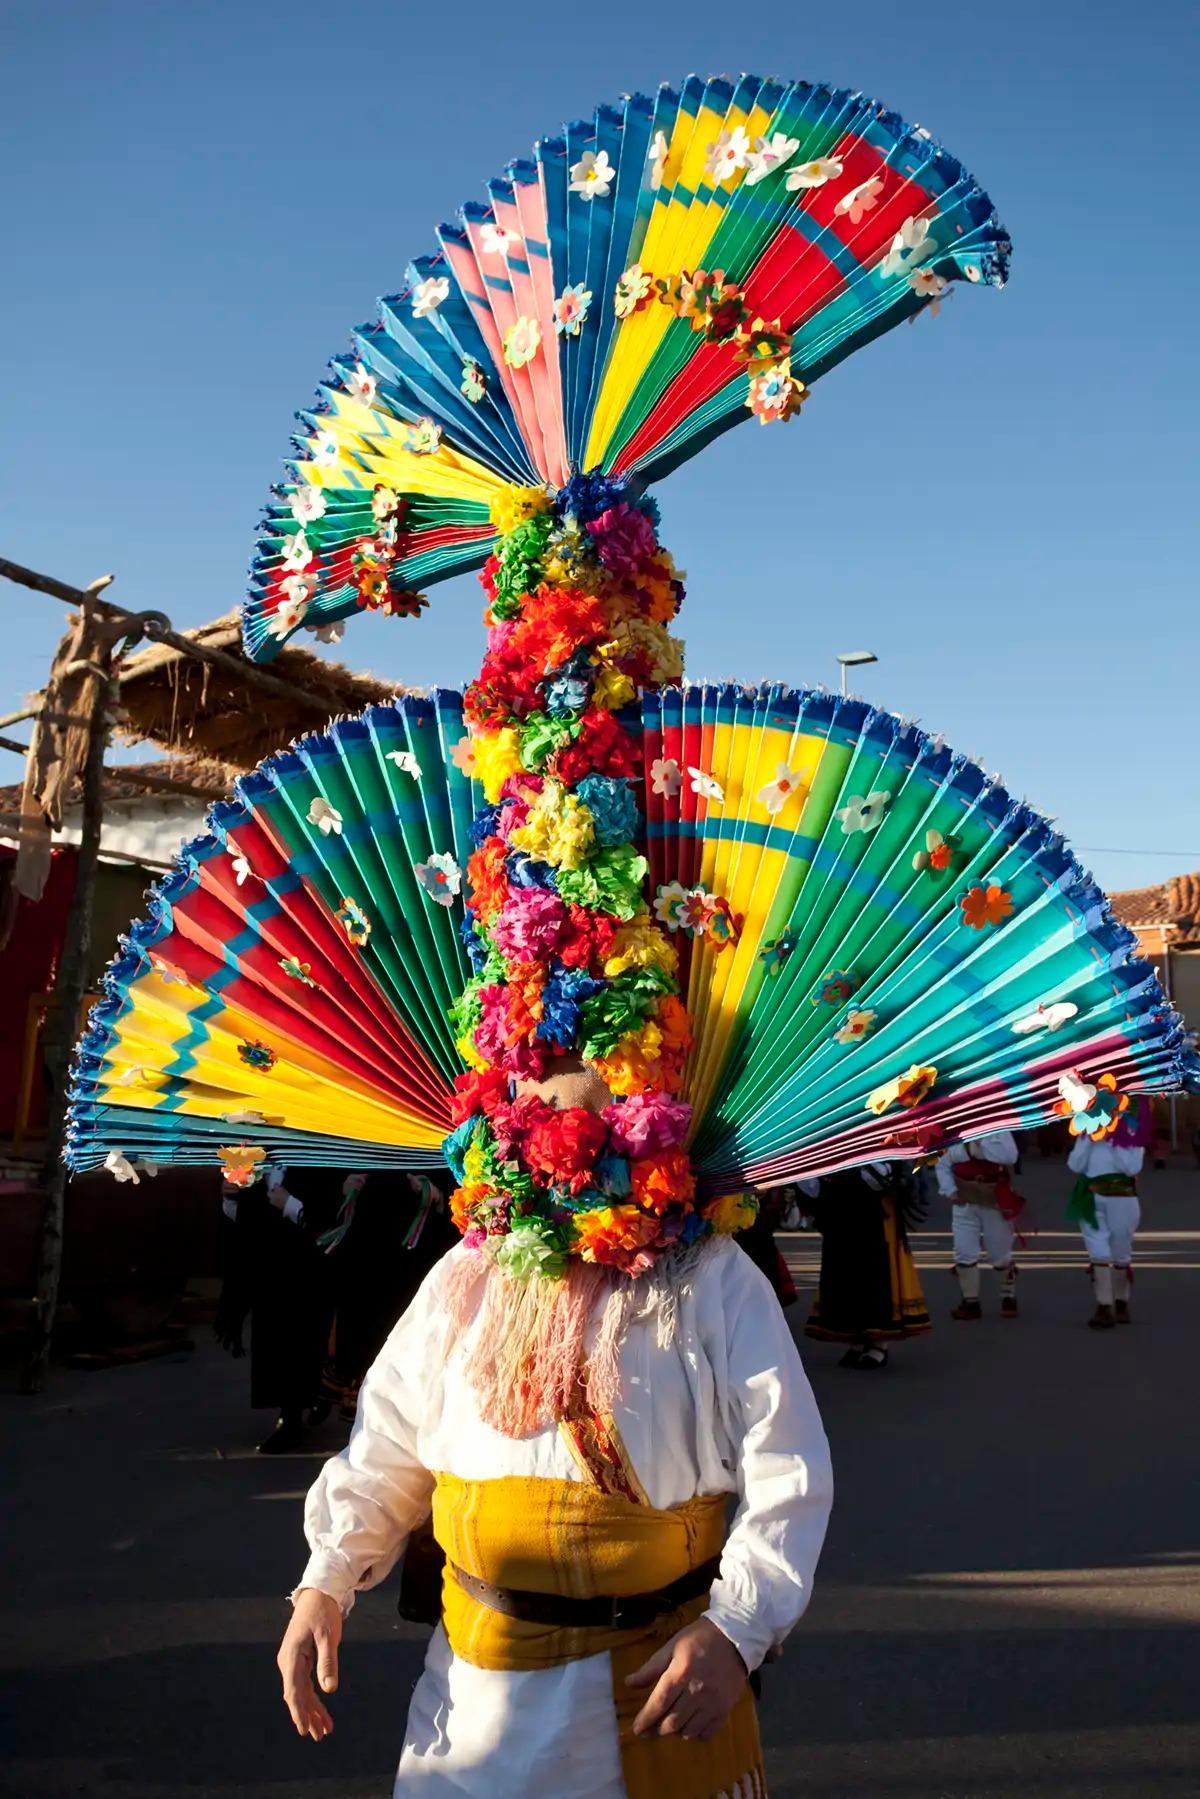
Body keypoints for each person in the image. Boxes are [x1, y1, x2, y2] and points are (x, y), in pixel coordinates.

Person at [275, 1064, 834, 1796]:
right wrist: (327, 1578)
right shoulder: (466, 1274)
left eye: (588, 1087)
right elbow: (388, 1441)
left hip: (648, 1696)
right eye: (533, 1086)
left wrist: (737, 1633)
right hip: (465, 1709)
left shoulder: (711, 1277)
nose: (553, 1115)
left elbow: (788, 1469)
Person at [215, 1165, 341, 1454]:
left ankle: (300, 1410)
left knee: (305, 1340)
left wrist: (290, 1205)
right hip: (269, 1269)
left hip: (308, 1270)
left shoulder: (317, 1161)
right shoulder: (256, 1163)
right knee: (274, 1342)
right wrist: (230, 1200)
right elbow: (246, 1221)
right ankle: (293, 1412)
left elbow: (331, 1219)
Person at [321, 1170, 458, 1419]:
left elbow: (455, 1177)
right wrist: (342, 1185)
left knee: (401, 1325)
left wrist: (439, 1195)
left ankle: (390, 1407)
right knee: (359, 1319)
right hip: (366, 1237)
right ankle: (356, 1393)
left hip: (415, 1247)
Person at [802, 1162, 931, 1370]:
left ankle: (879, 1342)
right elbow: (813, 1187)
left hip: (874, 1216)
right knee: (844, 1276)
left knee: (875, 1274)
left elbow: (882, 1178)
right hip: (840, 1215)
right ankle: (856, 1337)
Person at [936, 1132, 1022, 1321]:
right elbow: (942, 1164)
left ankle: (1008, 1296)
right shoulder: (955, 1133)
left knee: (999, 1253)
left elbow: (1009, 1157)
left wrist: (980, 1139)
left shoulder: (1000, 1131)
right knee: (964, 1251)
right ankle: (970, 1302)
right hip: (964, 1203)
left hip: (995, 1203)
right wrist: (950, 1192)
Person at [1067, 1118, 1144, 1328]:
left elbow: (1132, 1167)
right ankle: (1104, 1305)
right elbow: (1075, 1165)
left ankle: (1121, 1302)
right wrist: (1090, 1139)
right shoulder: (1086, 1130)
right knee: (1097, 1249)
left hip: (1122, 1197)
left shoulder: (1131, 1128)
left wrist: (1113, 1137)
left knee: (1121, 1250)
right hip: (1090, 1197)